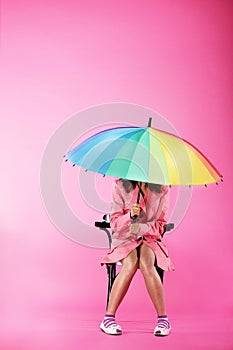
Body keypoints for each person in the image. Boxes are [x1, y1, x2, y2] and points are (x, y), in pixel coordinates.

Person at [100, 179, 174, 336]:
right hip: (125, 238)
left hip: (149, 237)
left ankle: (163, 320)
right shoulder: (120, 185)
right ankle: (108, 318)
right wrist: (130, 216)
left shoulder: (162, 189)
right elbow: (114, 221)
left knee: (147, 263)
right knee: (131, 263)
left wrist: (143, 225)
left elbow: (162, 223)